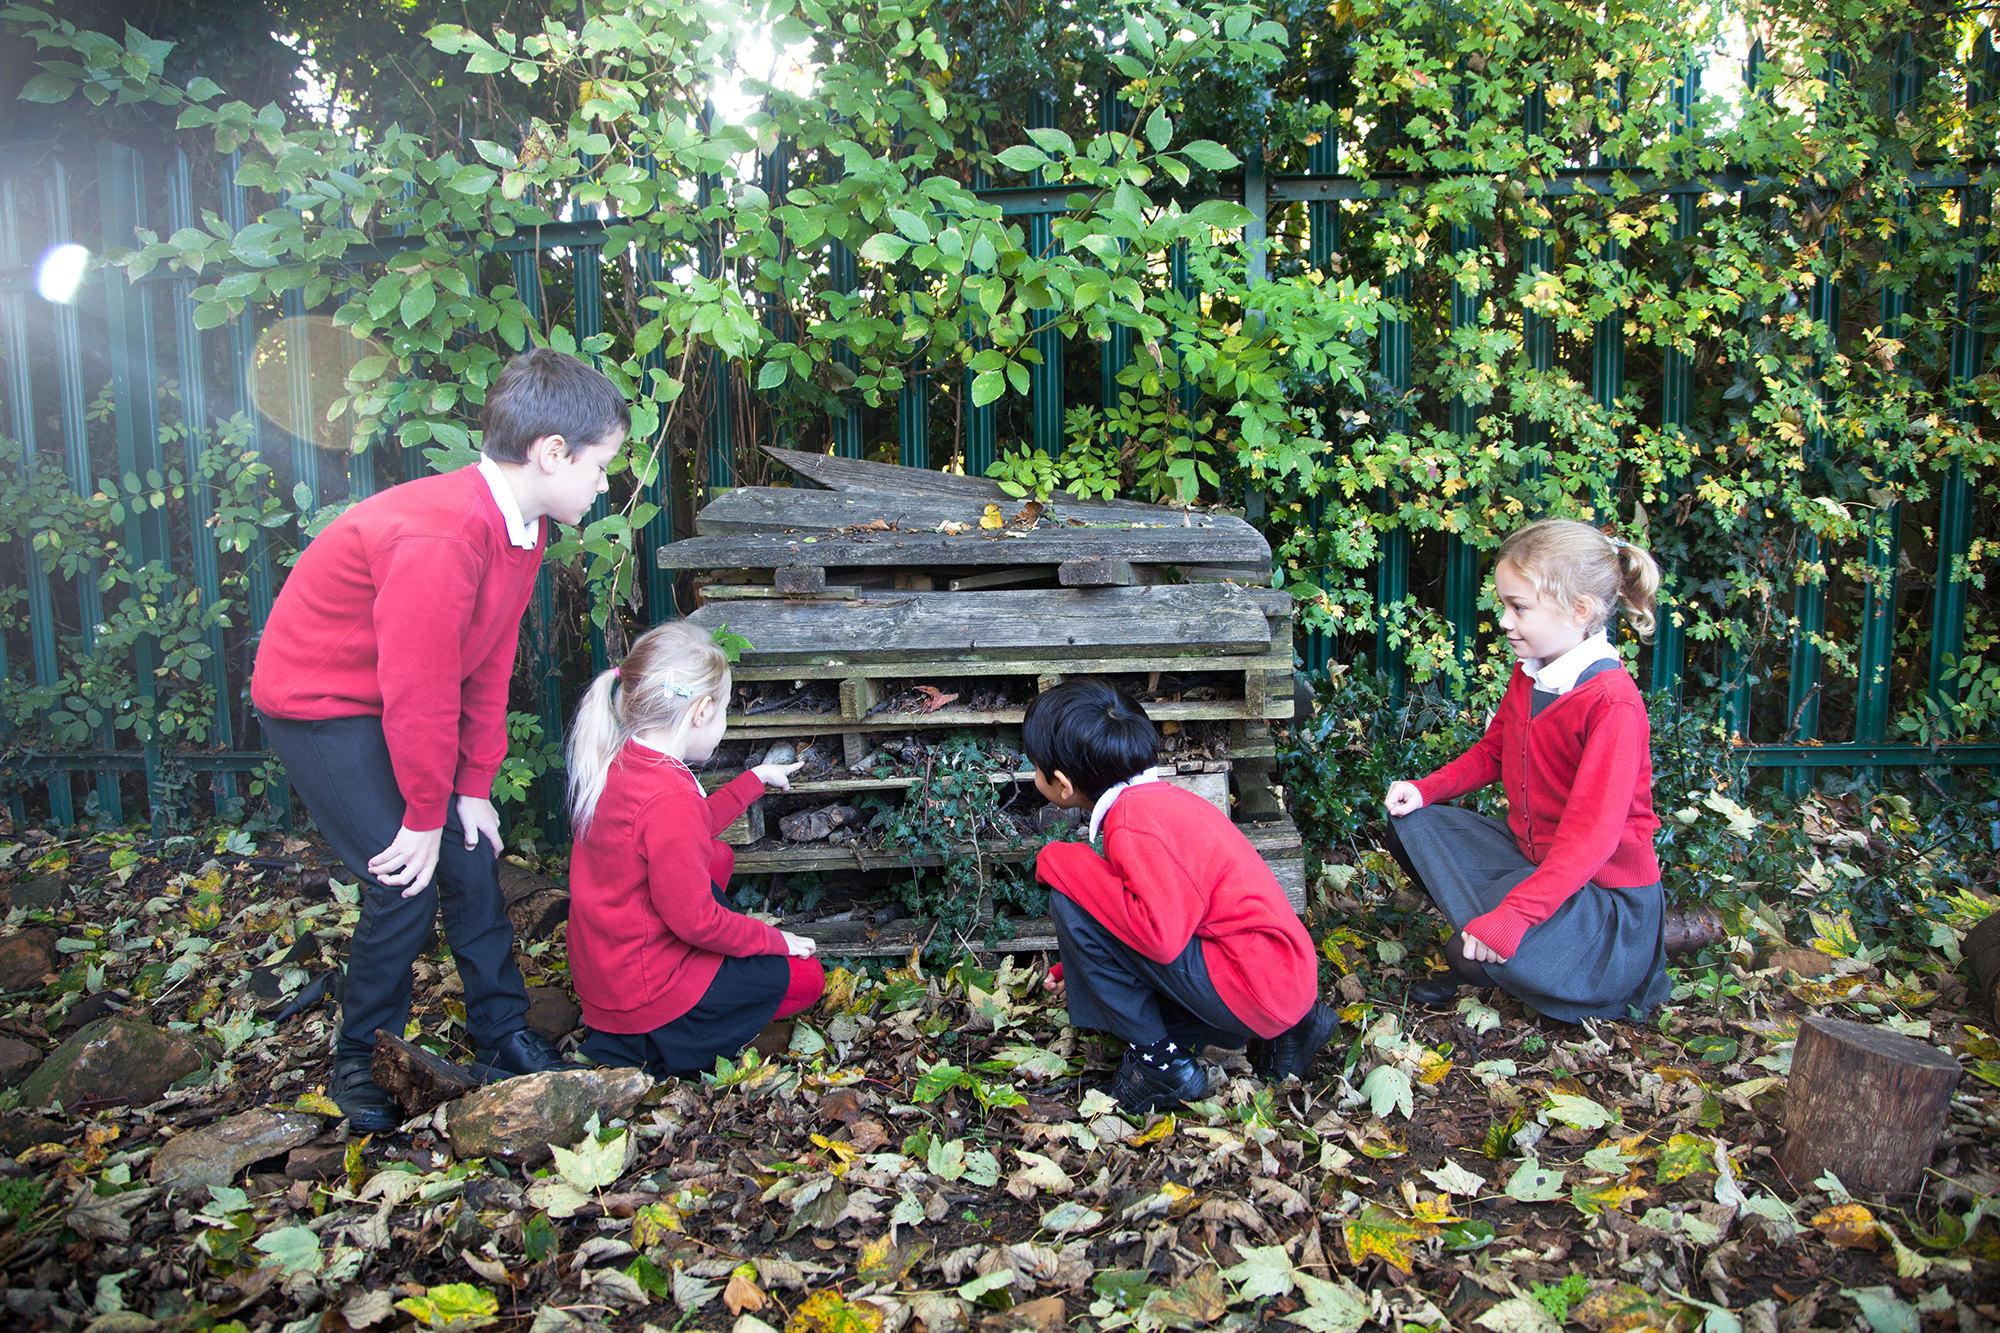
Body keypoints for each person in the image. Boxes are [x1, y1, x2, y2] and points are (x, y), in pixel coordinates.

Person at [253, 347, 628, 1131]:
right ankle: (361, 1057)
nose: (604, 484)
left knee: (470, 848)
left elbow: (485, 664)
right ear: (552, 452)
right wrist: (423, 813)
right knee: (403, 875)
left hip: (394, 698)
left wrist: (470, 789)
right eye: (600, 466)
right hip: (320, 701)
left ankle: (501, 1031)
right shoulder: (445, 534)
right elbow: (419, 691)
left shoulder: (521, 528)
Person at [1383, 517, 1672, 1022]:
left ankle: (1564, 968)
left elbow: (1592, 841)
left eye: (1519, 607)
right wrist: (1427, 789)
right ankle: (1502, 941)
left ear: (1579, 610)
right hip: (1537, 863)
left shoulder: (1612, 704)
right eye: (1504, 605)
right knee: (1412, 824)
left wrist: (1514, 916)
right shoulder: (1533, 670)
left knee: (1467, 956)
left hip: (1602, 902)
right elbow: (1496, 751)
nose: (1504, 621)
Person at [1028, 680, 1336, 1111]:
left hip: (1255, 988)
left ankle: (1160, 1067)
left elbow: (1159, 937)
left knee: (1069, 896)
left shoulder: (1133, 823)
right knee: (1090, 901)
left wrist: (1060, 860)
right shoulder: (1162, 803)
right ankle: (1293, 1029)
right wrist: (1079, 965)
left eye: (1035, 766)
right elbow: (1160, 909)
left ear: (1062, 784)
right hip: (1281, 977)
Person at [564, 621, 823, 1078]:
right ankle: (669, 1044)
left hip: (610, 977)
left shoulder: (623, 762)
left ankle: (647, 1030)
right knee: (805, 979)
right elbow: (696, 921)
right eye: (724, 711)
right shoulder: (669, 797)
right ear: (701, 711)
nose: (723, 724)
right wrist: (774, 939)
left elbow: (688, 830)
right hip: (646, 997)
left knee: (715, 857)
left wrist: (753, 781)